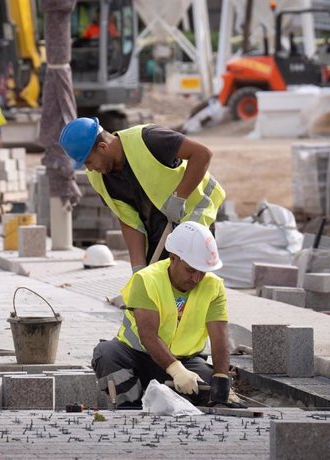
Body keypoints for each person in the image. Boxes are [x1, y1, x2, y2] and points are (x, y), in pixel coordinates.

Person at [91, 221, 234, 408]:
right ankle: (130, 406)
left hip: (186, 361)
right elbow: (148, 336)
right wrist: (176, 371)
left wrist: (221, 379)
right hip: (138, 358)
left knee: (208, 389)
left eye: (203, 272)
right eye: (191, 270)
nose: (197, 279)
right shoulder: (146, 280)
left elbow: (220, 337)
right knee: (107, 354)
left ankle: (166, 398)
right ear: (173, 258)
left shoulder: (214, 286)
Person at [59, 117, 225, 271]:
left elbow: (202, 154)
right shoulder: (99, 177)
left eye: (88, 161)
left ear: (103, 147)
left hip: (193, 217)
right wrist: (138, 269)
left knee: (185, 279)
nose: (89, 169)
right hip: (158, 231)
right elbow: (129, 221)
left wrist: (179, 197)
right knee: (155, 284)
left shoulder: (149, 139)